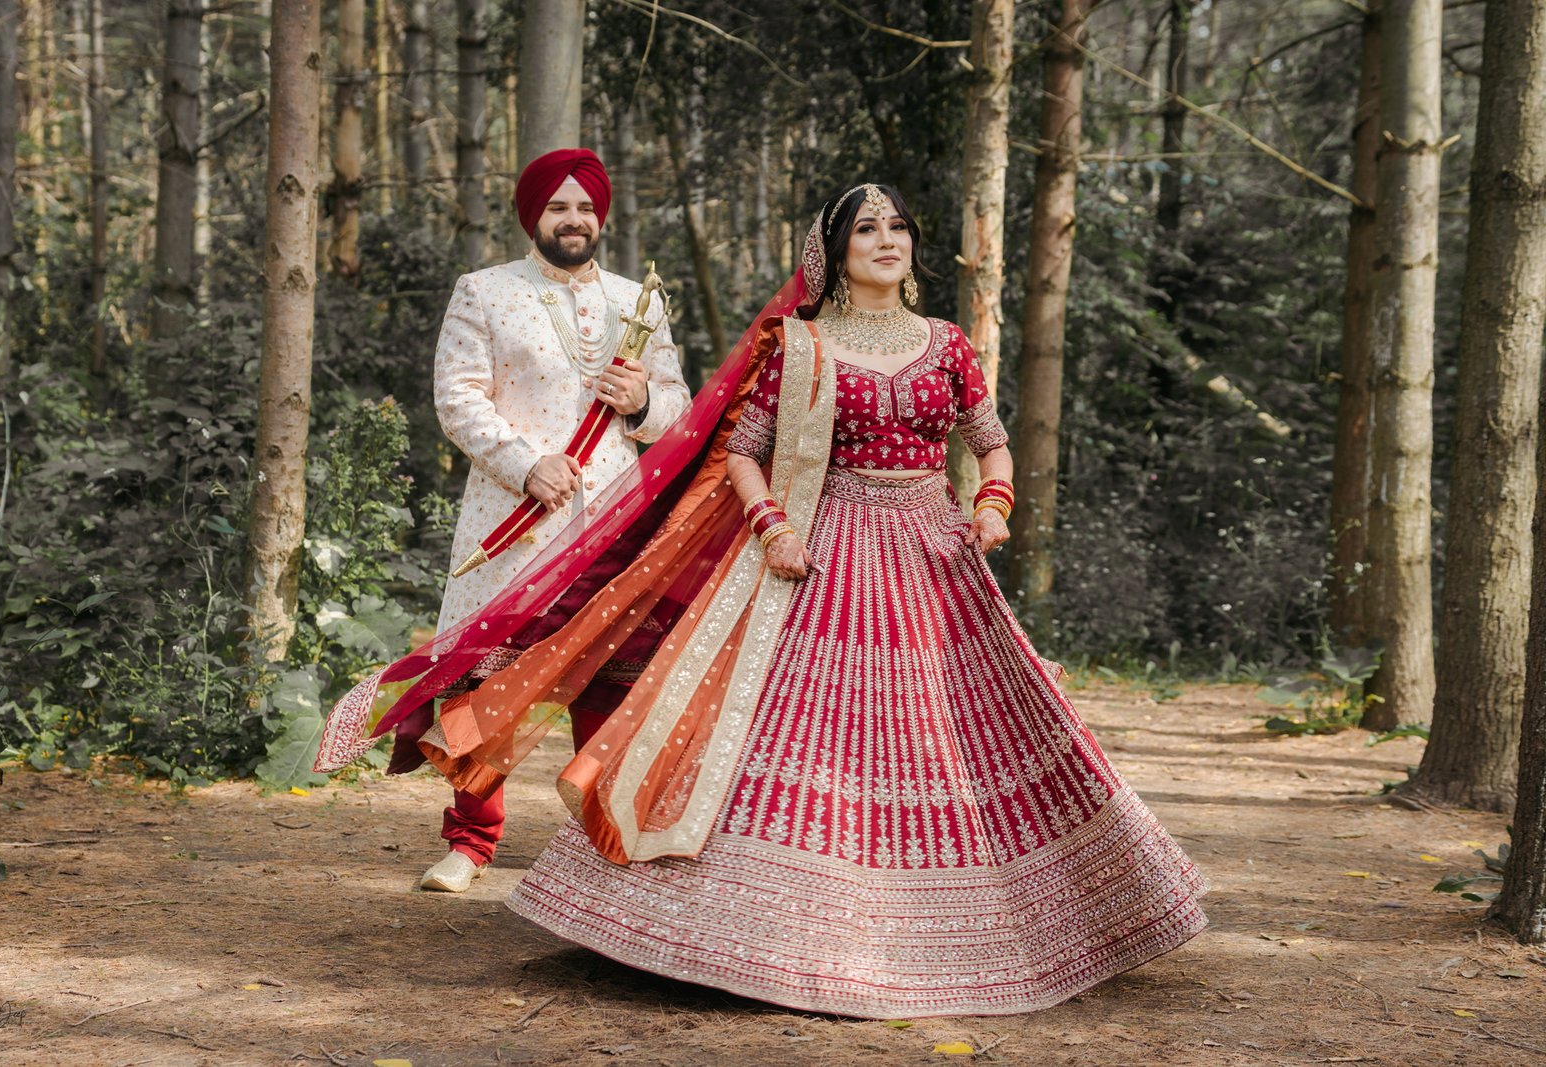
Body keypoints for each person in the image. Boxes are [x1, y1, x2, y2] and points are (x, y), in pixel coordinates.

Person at [320, 182, 1206, 1018]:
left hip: (935, 562)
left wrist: (992, 502)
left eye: (897, 228)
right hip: (818, 557)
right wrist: (774, 524)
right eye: (866, 229)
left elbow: (991, 441)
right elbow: (743, 445)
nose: (887, 241)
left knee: (951, 732)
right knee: (804, 732)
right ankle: (748, 925)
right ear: (834, 249)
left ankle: (1000, 920)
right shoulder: (803, 345)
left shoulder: (948, 344)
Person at [403, 148, 688, 893]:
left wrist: (643, 405)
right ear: (534, 217)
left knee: (611, 681)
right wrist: (525, 460)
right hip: (517, 519)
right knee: (486, 683)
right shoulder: (485, 291)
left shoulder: (640, 301)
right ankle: (470, 842)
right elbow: (457, 397)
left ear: (602, 217)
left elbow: (679, 408)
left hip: (614, 523)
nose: (574, 220)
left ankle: (603, 841)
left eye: (585, 208)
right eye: (558, 208)